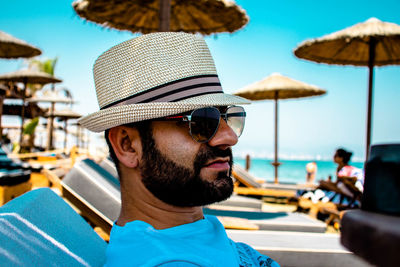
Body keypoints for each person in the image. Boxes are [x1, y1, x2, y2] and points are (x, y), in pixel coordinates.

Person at [79, 32, 279, 267]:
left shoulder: (182, 234)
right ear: (128, 145)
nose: (230, 137)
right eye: (202, 120)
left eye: (228, 116)